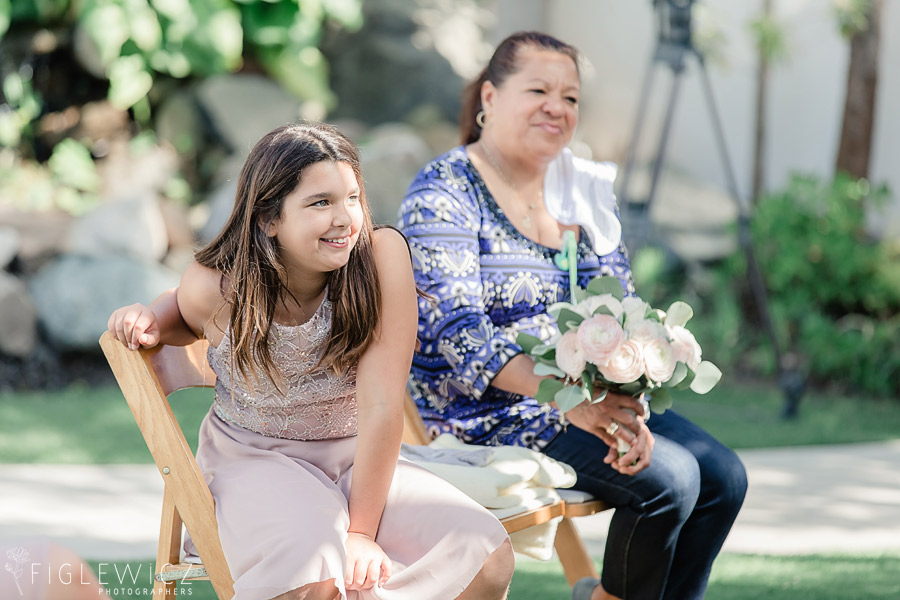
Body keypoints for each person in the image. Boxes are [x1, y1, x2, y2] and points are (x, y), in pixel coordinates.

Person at [397, 31, 748, 600]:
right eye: (538, 89)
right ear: (489, 96)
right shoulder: (444, 192)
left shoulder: (578, 190)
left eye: (571, 97)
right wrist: (578, 404)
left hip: (581, 401)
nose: (557, 107)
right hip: (488, 411)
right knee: (671, 481)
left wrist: (629, 400)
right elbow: (459, 337)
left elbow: (620, 307)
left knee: (723, 477)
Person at [107, 123, 513, 600]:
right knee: (312, 566)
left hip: (357, 458)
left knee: (483, 550)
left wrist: (361, 533)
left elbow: (383, 405)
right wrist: (151, 317)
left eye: (352, 198)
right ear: (268, 218)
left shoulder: (382, 258)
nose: (345, 218)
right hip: (255, 458)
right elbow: (183, 305)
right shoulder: (221, 287)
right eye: (321, 203)